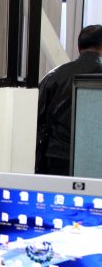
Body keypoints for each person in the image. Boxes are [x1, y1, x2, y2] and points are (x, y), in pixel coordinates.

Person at [35, 24, 102, 176]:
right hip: (94, 160)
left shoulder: (53, 76)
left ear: (79, 48)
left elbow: (35, 119)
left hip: (55, 159)